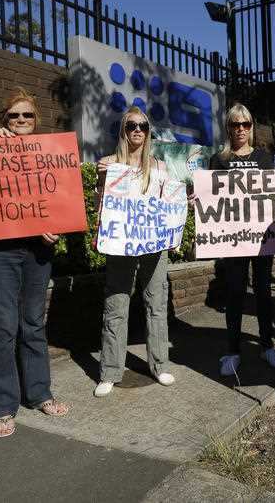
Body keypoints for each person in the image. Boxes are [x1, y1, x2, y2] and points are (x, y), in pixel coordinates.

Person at [0, 87, 69, 438]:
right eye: (13, 115)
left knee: (33, 323)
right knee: (3, 326)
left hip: (37, 252)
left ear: (36, 121)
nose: (20, 121)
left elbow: (60, 201)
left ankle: (39, 394)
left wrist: (56, 228)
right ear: (4, 120)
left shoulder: (49, 154)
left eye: (26, 115)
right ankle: (2, 407)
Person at [92, 107, 175, 397]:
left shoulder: (160, 166)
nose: (137, 130)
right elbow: (101, 205)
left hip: (154, 244)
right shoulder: (109, 163)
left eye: (142, 126)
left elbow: (169, 205)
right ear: (123, 131)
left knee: (157, 303)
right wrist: (101, 180)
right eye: (131, 126)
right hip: (121, 244)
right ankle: (111, 371)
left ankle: (160, 364)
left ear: (148, 131)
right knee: (116, 305)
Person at [210, 103, 275, 376]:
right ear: (228, 128)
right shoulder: (219, 159)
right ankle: (232, 351)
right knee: (234, 293)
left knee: (264, 292)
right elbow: (212, 199)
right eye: (234, 124)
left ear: (252, 127)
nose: (240, 129)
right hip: (233, 239)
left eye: (245, 124)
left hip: (263, 238)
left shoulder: (264, 157)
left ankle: (267, 345)